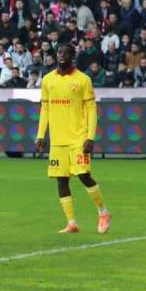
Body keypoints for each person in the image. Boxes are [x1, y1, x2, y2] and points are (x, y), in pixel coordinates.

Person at [35, 44, 111, 234]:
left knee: (83, 175)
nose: (62, 55)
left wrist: (90, 137)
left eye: (66, 53)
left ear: (72, 56)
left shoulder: (83, 80)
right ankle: (71, 223)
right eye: (59, 52)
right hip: (57, 140)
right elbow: (45, 108)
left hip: (78, 138)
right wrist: (41, 134)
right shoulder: (47, 80)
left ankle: (103, 211)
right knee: (61, 180)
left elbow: (92, 110)